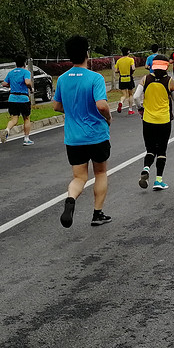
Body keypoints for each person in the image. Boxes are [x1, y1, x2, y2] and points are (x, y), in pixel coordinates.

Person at [52, 35, 112, 227]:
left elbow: (56, 106)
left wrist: (71, 110)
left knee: (79, 177)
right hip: (96, 134)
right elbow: (102, 105)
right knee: (100, 173)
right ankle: (97, 213)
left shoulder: (62, 79)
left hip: (74, 137)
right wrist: (108, 118)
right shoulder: (96, 78)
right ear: (87, 52)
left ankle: (71, 200)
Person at [134, 58, 174, 190]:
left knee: (150, 149)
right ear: (166, 67)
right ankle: (158, 180)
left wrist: (140, 108)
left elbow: (136, 97)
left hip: (148, 120)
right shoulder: (169, 81)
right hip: (164, 120)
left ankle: (146, 168)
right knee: (162, 150)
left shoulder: (145, 79)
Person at [2, 54, 35, 145]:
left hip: (12, 98)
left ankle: (7, 129)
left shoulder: (11, 73)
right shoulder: (25, 72)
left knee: (14, 119)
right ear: (24, 63)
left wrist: (11, 84)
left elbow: (4, 83)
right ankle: (26, 139)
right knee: (26, 118)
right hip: (23, 98)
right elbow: (27, 82)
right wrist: (31, 88)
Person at [114, 47, 137, 115]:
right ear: (128, 52)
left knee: (124, 94)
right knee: (130, 94)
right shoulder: (130, 59)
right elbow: (133, 68)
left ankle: (121, 102)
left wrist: (120, 71)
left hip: (122, 78)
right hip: (129, 78)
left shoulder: (119, 60)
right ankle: (130, 109)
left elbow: (115, 70)